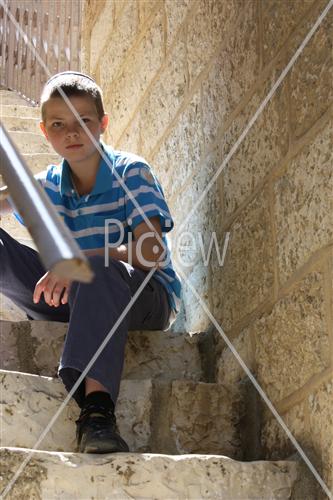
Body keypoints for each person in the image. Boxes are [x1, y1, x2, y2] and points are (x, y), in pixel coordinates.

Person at [0, 71, 181, 453]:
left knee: (93, 268)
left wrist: (87, 254)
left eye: (84, 121)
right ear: (45, 132)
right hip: (69, 299)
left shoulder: (131, 171)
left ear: (103, 124)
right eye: (58, 124)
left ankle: (97, 412)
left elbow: (151, 252)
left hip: (142, 298)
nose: (72, 132)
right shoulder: (48, 183)